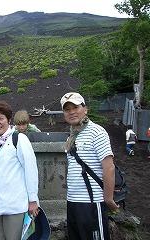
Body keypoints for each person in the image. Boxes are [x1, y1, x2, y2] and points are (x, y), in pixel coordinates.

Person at [60, 92, 119, 240]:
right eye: (67, 109)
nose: (72, 112)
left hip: (92, 203)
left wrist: (108, 198)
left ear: (85, 109)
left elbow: (109, 167)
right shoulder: (72, 136)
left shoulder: (97, 132)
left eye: (75, 107)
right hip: (73, 201)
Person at [0, 100, 39, 240]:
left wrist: (33, 200)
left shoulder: (19, 139)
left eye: (1, 118)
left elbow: (30, 170)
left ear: (9, 120)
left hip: (14, 206)